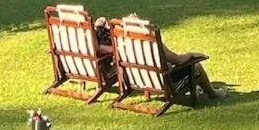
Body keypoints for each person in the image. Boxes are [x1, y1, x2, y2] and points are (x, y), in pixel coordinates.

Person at [94, 16, 227, 100]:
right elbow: (179, 60)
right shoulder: (152, 40)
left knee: (172, 68)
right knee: (196, 66)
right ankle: (213, 93)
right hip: (164, 84)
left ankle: (197, 89)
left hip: (140, 80)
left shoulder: (123, 43)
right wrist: (193, 55)